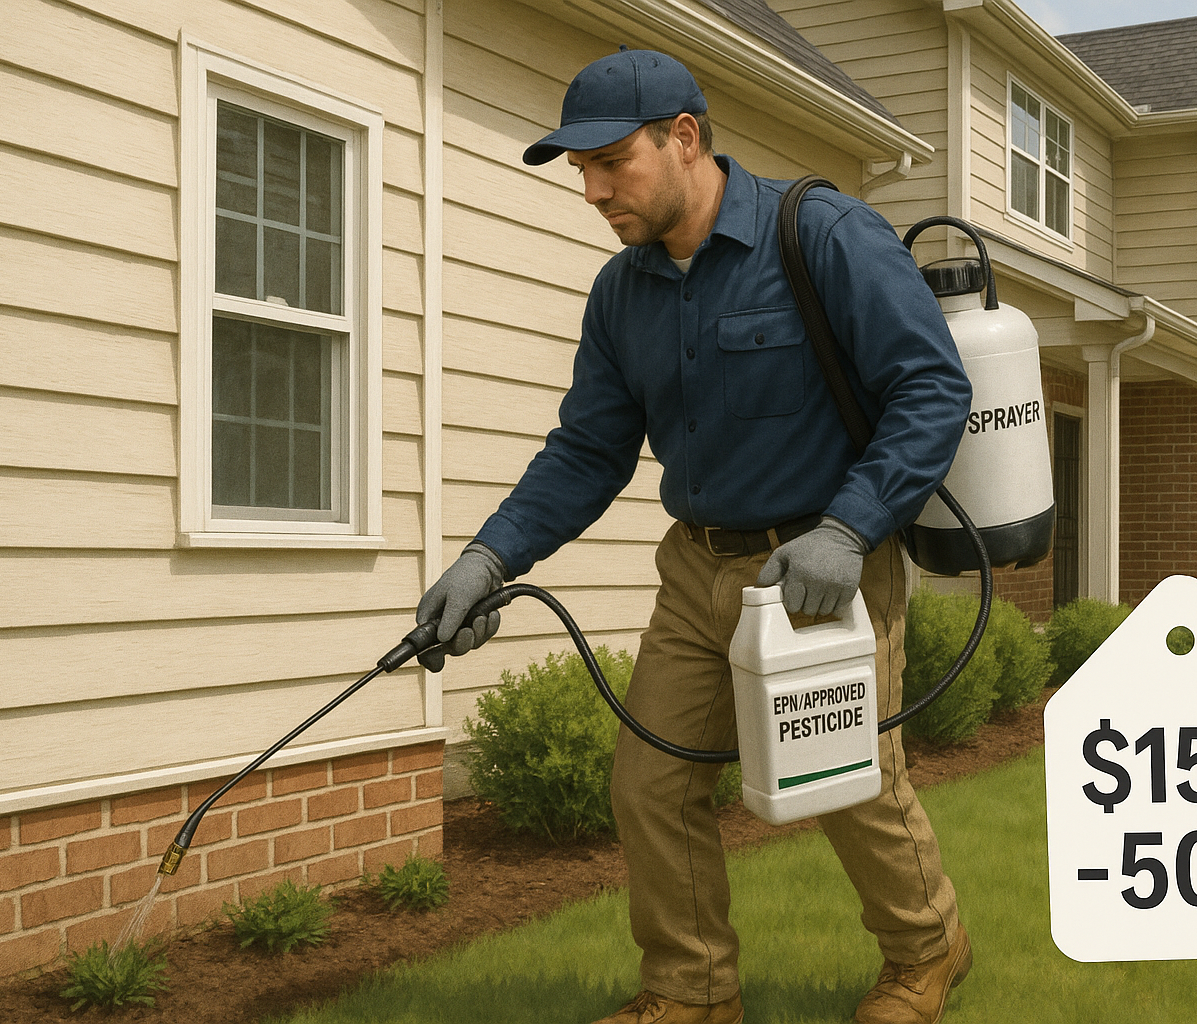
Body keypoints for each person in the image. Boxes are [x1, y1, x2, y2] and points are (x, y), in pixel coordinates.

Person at [417, 48, 974, 1024]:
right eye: (580, 171)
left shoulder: (822, 233)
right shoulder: (621, 294)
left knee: (847, 780)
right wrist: (488, 557)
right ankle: (692, 989)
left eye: (610, 163)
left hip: (822, 568)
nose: (592, 192)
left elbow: (932, 389)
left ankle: (929, 947)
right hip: (698, 571)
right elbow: (587, 451)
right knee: (651, 783)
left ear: (684, 137)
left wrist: (850, 527)